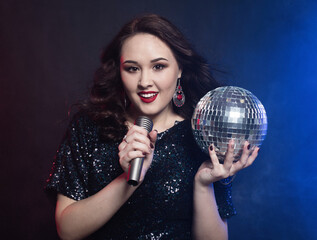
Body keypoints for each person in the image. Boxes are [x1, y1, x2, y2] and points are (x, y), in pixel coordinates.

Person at [45, 14, 259, 240]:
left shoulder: (202, 135)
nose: (145, 81)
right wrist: (128, 180)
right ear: (120, 72)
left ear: (179, 70)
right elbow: (67, 230)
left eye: (158, 66)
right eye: (132, 68)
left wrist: (203, 184)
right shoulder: (89, 126)